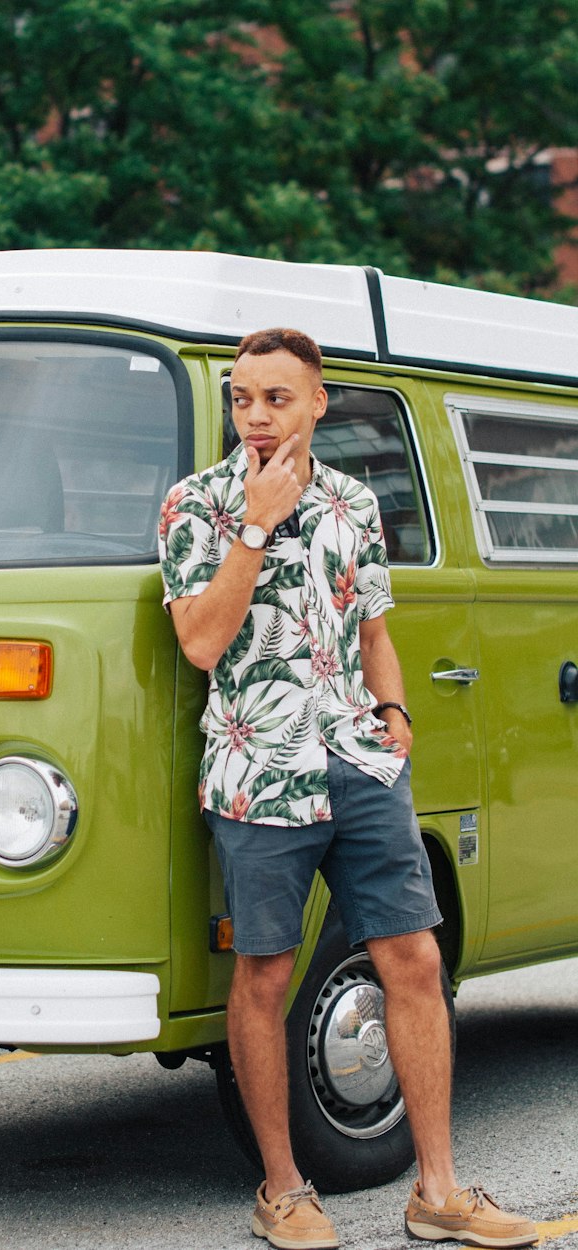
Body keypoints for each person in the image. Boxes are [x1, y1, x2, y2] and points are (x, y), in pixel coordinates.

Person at [158, 328, 537, 1250]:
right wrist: (254, 521)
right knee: (267, 972)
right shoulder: (193, 507)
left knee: (413, 959)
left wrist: (395, 716)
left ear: (319, 403)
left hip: (359, 759)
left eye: (276, 398)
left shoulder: (354, 502)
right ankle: (283, 1189)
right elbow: (202, 643)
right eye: (242, 398)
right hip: (259, 771)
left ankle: (439, 1190)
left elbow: (372, 629)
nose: (255, 416)